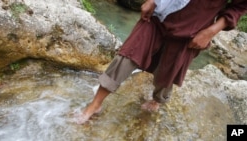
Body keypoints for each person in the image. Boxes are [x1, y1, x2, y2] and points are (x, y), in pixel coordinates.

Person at [76, 0, 247, 124]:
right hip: (157, 16)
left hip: (192, 30)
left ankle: (157, 100)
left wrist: (210, 32)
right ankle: (95, 104)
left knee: (168, 72)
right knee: (127, 56)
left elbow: (239, 6)